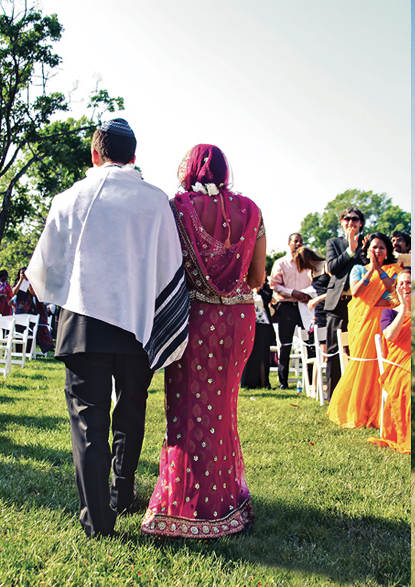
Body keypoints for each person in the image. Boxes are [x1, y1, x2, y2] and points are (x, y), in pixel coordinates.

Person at [26, 118, 190, 538]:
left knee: (89, 423)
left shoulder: (69, 198)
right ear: (134, 157)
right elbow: (168, 266)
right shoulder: (155, 202)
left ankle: (99, 521)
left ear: (94, 154)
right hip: (138, 322)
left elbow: (46, 270)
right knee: (131, 410)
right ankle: (122, 491)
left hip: (83, 326)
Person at [141, 143, 265, 539]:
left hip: (195, 317)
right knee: (223, 411)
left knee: (187, 408)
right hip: (238, 320)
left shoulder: (178, 207)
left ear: (190, 169)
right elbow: (258, 279)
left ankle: (184, 506)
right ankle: (226, 505)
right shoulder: (252, 210)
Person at [327, 233, 400, 428]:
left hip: (384, 321)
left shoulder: (394, 270)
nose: (378, 251)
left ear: (388, 251)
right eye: (374, 247)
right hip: (363, 323)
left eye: (382, 248)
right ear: (367, 250)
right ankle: (358, 410)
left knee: (382, 363)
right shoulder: (357, 269)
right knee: (363, 363)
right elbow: (357, 293)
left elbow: (393, 293)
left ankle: (381, 413)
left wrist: (380, 272)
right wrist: (371, 272)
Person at [368, 268, 411, 454]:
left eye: (409, 282)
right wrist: (404, 308)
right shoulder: (389, 313)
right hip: (399, 367)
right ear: (396, 288)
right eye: (401, 283)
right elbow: (391, 336)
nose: (405, 286)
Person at [323, 207, 366, 397]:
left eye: (354, 219)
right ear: (341, 223)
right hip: (338, 303)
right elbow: (332, 267)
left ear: (361, 223)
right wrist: (350, 250)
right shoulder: (334, 243)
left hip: (361, 303)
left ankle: (356, 395)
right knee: (334, 350)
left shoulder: (368, 244)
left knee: (358, 347)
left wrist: (359, 248)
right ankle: (334, 395)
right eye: (346, 219)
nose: (351, 222)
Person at [269, 233, 312, 389]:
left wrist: (308, 295)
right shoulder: (281, 263)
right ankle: (283, 382)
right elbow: (274, 285)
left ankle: (311, 381)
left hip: (304, 307)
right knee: (285, 344)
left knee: (309, 342)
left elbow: (315, 282)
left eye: (301, 241)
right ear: (289, 243)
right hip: (286, 306)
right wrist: (292, 293)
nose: (299, 243)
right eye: (296, 241)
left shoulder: (308, 263)